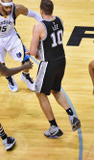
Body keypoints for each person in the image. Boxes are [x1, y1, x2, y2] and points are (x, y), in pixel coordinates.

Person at [27, 0, 81, 138]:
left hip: (48, 64)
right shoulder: (60, 20)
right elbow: (51, 43)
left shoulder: (39, 26)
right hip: (61, 60)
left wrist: (32, 52)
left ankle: (53, 127)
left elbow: (33, 51)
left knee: (39, 93)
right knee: (55, 89)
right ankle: (71, 115)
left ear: (41, 11)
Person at [0, 0, 42, 92]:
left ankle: (26, 76)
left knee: (26, 60)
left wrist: (45, 24)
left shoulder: (17, 9)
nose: (9, 9)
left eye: (10, 6)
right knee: (0, 67)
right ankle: (9, 78)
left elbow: (34, 14)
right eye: (7, 7)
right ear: (1, 4)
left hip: (11, 37)